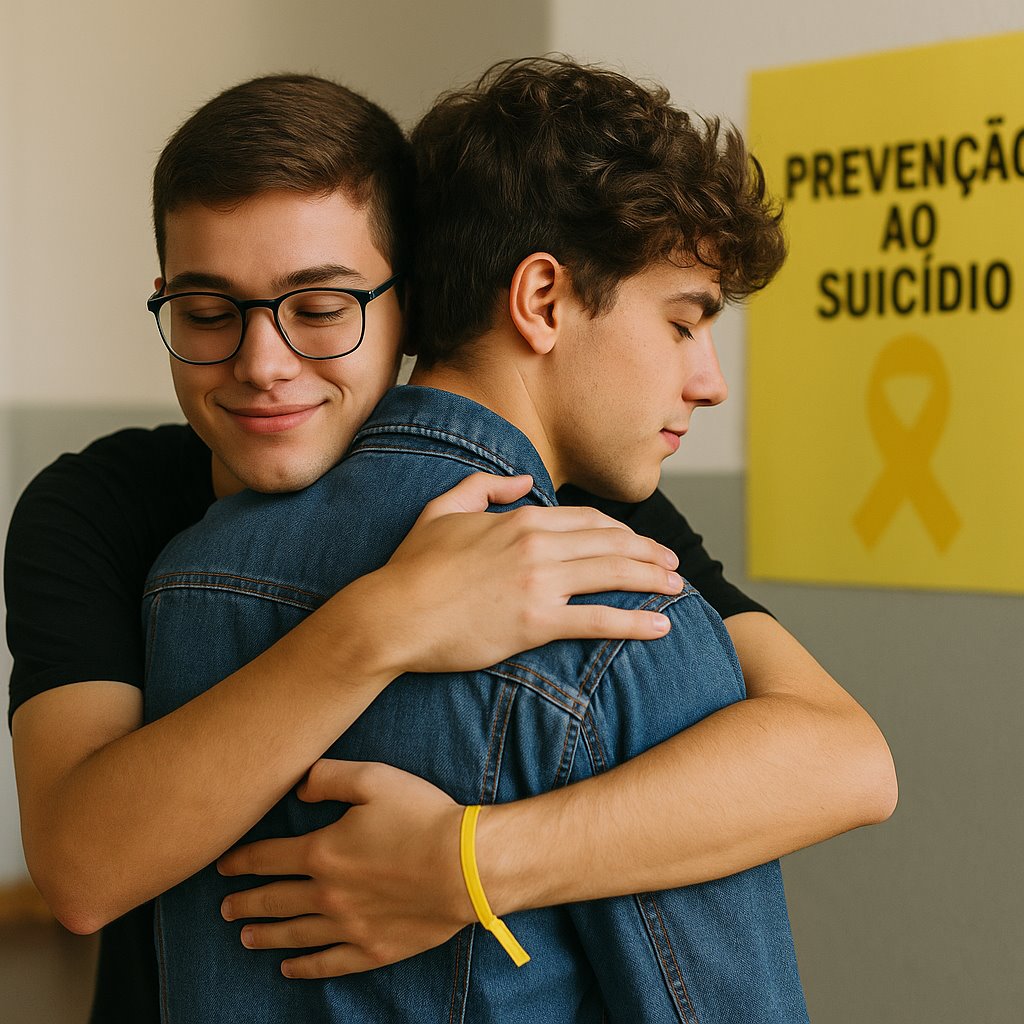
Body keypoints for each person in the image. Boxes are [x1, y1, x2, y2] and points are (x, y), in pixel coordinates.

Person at [2, 70, 894, 1023]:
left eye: (321, 308)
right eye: (209, 313)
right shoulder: (105, 509)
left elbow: (843, 757)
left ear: (410, 305)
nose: (263, 366)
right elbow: (82, 873)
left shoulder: (594, 518)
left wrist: (465, 862)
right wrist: (381, 623)